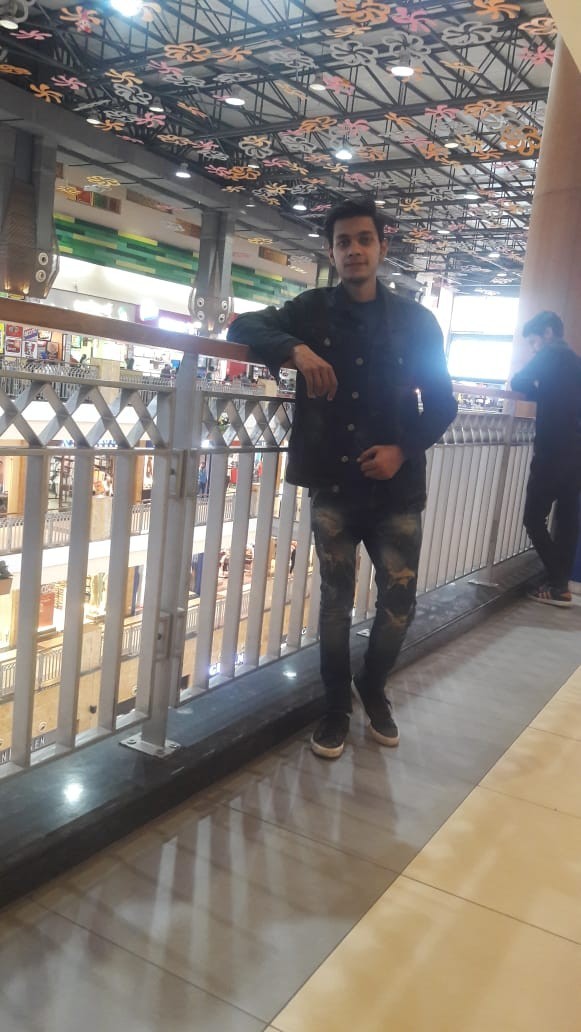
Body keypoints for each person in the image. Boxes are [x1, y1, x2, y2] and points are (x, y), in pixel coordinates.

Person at [227, 197, 457, 760]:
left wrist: (402, 450)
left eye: (364, 239)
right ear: (331, 252)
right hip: (333, 482)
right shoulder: (311, 311)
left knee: (399, 601)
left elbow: (443, 404)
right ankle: (335, 707)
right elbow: (242, 324)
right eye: (343, 242)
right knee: (334, 604)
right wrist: (296, 349)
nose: (354, 250)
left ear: (382, 246)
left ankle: (372, 686)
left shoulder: (417, 322)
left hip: (397, 488)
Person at [511, 310, 581, 607]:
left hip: (552, 451)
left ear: (548, 333)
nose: (533, 348)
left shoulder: (550, 353)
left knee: (533, 518)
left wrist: (537, 392)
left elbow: (518, 381)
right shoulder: (576, 360)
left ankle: (558, 581)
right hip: (576, 451)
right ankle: (559, 587)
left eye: (533, 341)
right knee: (567, 520)